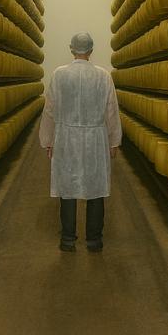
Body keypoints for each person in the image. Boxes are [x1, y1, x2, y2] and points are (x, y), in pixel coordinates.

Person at [39, 32, 122, 253]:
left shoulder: (59, 75)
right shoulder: (103, 77)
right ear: (91, 50)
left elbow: (49, 110)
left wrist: (48, 140)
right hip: (95, 139)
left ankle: (68, 240)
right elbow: (111, 111)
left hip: (66, 138)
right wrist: (114, 141)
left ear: (71, 49)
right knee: (95, 190)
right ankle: (94, 241)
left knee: (68, 189)